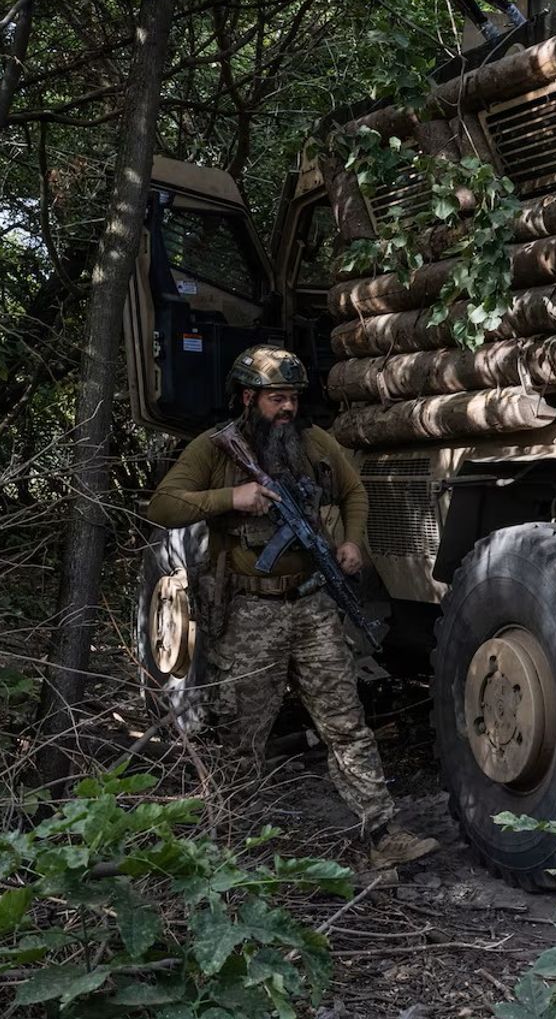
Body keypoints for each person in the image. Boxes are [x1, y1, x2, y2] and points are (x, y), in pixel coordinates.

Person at [146, 345, 438, 870]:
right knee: (241, 736)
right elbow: (164, 504)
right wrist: (229, 500)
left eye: (293, 398)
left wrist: (351, 542)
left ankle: (382, 834)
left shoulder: (313, 443)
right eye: (276, 398)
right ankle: (228, 847)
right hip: (249, 613)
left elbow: (354, 493)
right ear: (247, 397)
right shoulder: (215, 450)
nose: (287, 409)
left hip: (312, 606)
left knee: (346, 722)